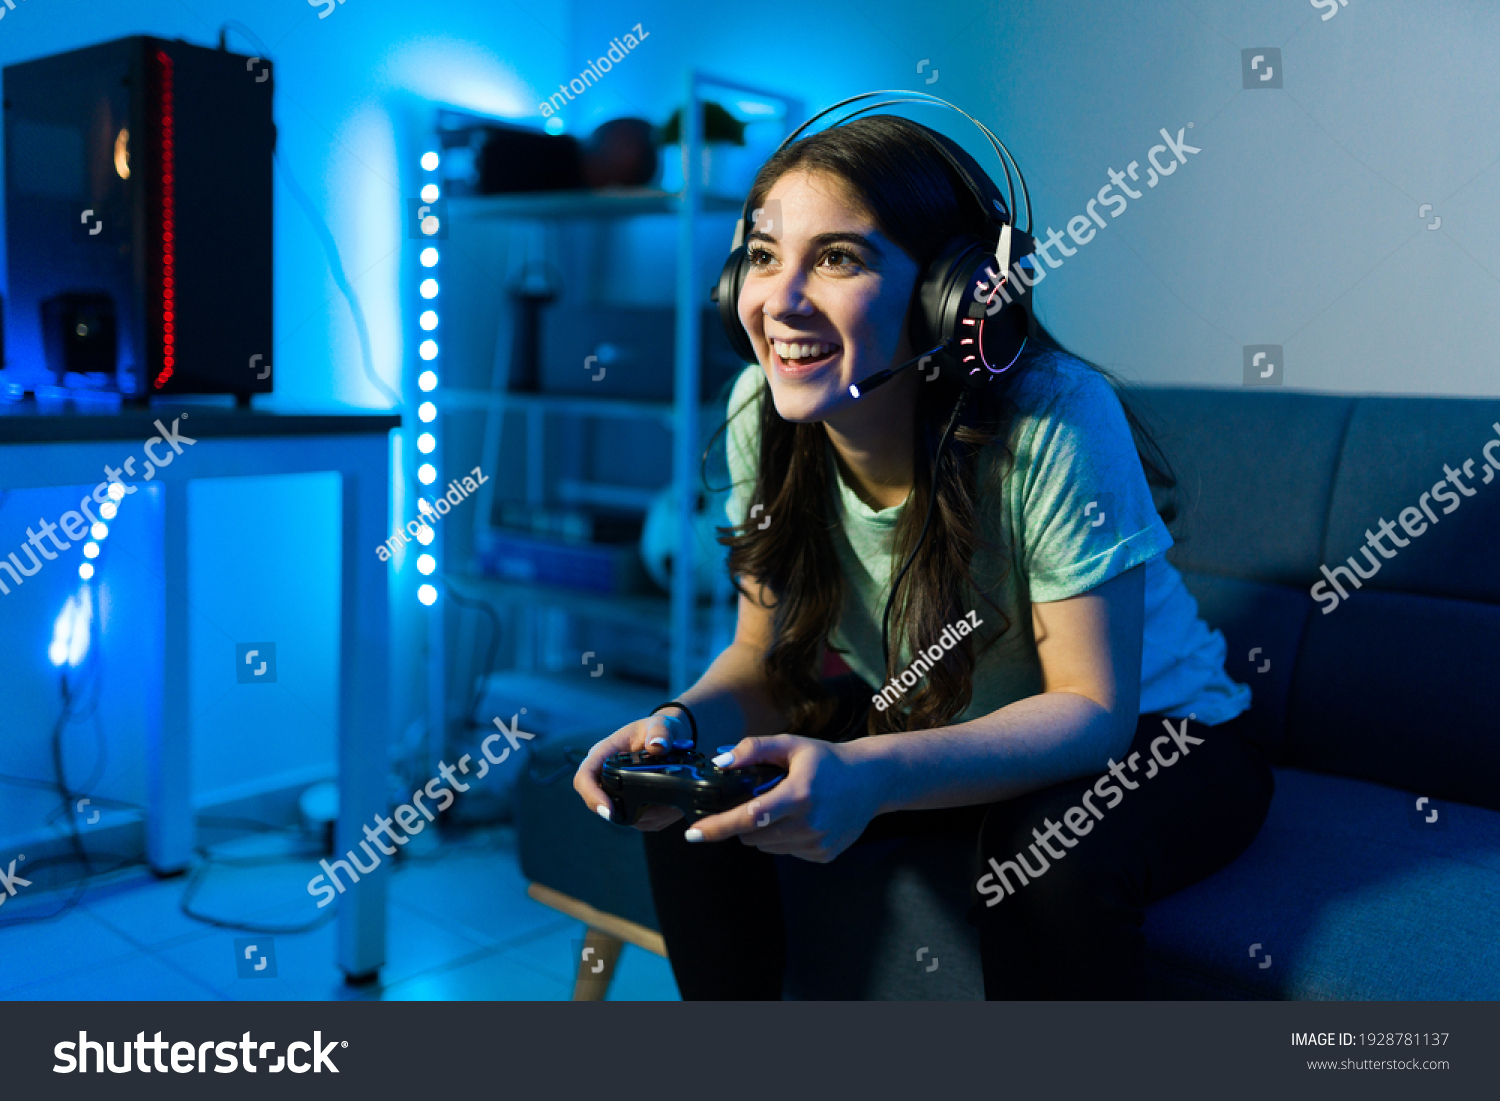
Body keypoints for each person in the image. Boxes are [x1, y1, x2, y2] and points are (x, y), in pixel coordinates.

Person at [574, 114, 1273, 1000]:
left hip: (1163, 737)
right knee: (698, 798)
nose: (779, 301)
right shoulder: (760, 407)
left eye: (837, 259)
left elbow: (1093, 708)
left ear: (955, 297)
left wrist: (868, 773)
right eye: (761, 254)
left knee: (1041, 858)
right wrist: (678, 727)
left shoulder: (1057, 415)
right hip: (940, 718)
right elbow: (762, 661)